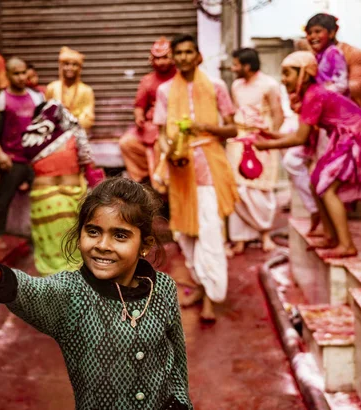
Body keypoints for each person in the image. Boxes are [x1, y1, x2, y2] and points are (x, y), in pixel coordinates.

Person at [0, 178, 193, 409]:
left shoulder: (163, 287)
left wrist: (181, 402)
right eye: (93, 231)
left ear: (145, 245)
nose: (102, 244)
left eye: (120, 235)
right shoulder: (72, 293)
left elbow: (177, 359)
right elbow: (31, 290)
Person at [253, 51, 361, 258]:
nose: (283, 79)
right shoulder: (312, 94)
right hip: (345, 136)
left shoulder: (314, 95)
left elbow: (300, 138)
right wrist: (271, 136)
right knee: (316, 181)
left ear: (304, 74)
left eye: (287, 73)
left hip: (353, 136)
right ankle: (330, 235)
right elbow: (300, 134)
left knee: (327, 188)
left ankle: (346, 244)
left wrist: (267, 145)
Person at [153, 34, 238, 321]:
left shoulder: (217, 86)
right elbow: (162, 135)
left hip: (210, 168)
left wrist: (204, 127)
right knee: (186, 235)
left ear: (199, 56)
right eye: (180, 53)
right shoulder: (164, 91)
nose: (185, 57)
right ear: (174, 58)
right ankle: (201, 286)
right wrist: (169, 153)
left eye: (190, 52)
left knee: (210, 233)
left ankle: (211, 300)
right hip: (180, 170)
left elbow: (233, 130)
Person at [282, 13, 352, 233]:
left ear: (331, 33)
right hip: (319, 121)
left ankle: (332, 231)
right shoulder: (317, 56)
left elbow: (341, 83)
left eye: (317, 31)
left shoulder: (333, 53)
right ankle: (319, 218)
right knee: (300, 167)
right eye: (309, 32)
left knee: (320, 180)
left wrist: (316, 97)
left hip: (331, 125)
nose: (312, 36)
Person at [21, 100, 95, 275]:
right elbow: (87, 160)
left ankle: (52, 288)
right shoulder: (74, 135)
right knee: (74, 245)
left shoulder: (31, 139)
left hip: (44, 199)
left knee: (49, 250)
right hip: (72, 197)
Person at [0, 57, 44, 250]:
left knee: (40, 201)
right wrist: (0, 154)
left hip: (34, 160)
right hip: (11, 160)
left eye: (23, 72)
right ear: (7, 75)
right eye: (15, 73)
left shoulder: (37, 98)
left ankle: (40, 240)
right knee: (3, 201)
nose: (20, 77)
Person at [226, 48, 284, 255]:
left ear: (247, 66)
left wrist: (270, 142)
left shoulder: (269, 85)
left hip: (262, 143)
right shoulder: (236, 85)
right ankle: (240, 239)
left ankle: (265, 234)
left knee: (260, 190)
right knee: (239, 190)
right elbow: (236, 112)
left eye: (236, 65)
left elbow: (279, 115)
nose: (233, 69)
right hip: (239, 141)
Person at [119, 37, 177, 184]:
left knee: (159, 147)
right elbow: (139, 105)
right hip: (150, 125)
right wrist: (139, 117)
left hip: (172, 124)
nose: (161, 62)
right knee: (126, 142)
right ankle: (143, 179)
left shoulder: (180, 78)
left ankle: (160, 183)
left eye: (164, 58)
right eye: (157, 58)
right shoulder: (147, 80)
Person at [45, 47, 95, 132]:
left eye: (74, 65)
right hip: (55, 134)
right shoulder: (52, 88)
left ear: (79, 68)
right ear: (61, 66)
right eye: (66, 64)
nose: (70, 68)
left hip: (78, 134)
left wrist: (70, 126)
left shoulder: (86, 90)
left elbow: (88, 118)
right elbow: (46, 114)